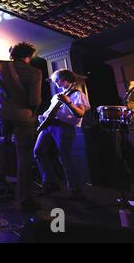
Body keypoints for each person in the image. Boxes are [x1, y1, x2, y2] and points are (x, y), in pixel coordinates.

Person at [0, 42, 42, 210]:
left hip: (3, 114)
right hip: (23, 117)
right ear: (28, 56)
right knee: (24, 155)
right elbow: (35, 100)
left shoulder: (0, 69)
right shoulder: (35, 72)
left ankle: (1, 176)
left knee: (3, 141)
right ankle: (24, 197)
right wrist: (34, 111)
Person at [34, 69, 90, 200]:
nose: (56, 83)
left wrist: (68, 102)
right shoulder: (56, 96)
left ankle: (76, 190)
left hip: (64, 127)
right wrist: (42, 117)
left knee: (65, 157)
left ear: (66, 79)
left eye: (57, 80)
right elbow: (50, 112)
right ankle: (50, 182)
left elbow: (80, 114)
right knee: (38, 151)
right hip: (49, 126)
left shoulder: (78, 94)